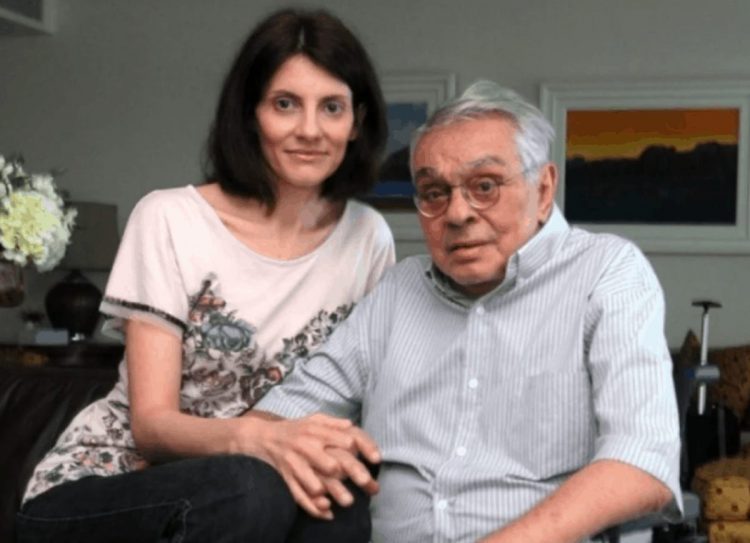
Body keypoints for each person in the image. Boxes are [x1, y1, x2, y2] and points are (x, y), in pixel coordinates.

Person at [246, 80, 684, 543]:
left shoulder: (607, 273)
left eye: (485, 186)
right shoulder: (398, 292)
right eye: (434, 192)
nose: (457, 214)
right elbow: (278, 420)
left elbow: (643, 464)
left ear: (543, 190)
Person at [17, 8, 394, 543]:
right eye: (285, 104)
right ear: (250, 114)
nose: (310, 130)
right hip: (105, 484)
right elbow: (151, 427)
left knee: (340, 502)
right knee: (249, 487)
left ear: (356, 122)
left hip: (260, 487)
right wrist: (264, 440)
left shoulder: (367, 238)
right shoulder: (169, 218)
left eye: (331, 107)